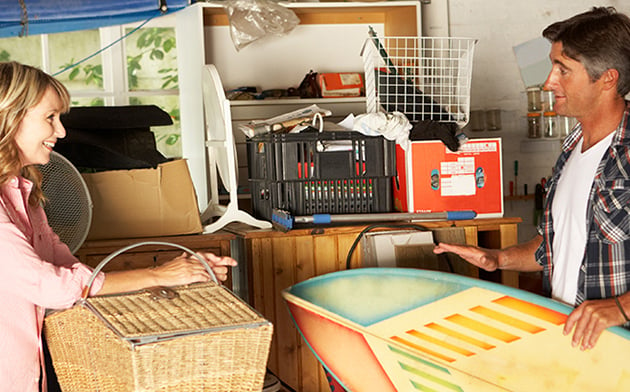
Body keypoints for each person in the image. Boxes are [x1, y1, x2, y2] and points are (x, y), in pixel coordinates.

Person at [0, 61, 238, 392]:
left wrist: (178, 272)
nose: (62, 132)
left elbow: (65, 265)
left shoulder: (24, 191)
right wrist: (158, 276)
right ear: (10, 118)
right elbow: (51, 285)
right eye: (50, 118)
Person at [434, 6, 630, 352]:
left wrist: (621, 307)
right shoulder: (571, 150)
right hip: (571, 344)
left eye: (563, 70)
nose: (548, 81)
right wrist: (498, 258)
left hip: (619, 352)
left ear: (607, 79)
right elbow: (555, 246)